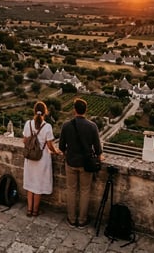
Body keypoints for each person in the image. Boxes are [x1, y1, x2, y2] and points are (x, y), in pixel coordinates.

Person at [59, 97, 104, 228]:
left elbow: (62, 147)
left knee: (71, 190)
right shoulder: (92, 126)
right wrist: (100, 157)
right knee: (85, 191)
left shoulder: (66, 125)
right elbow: (98, 148)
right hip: (86, 164)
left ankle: (71, 219)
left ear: (74, 110)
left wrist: (68, 154)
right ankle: (82, 220)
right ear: (85, 110)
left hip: (71, 162)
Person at [23, 101, 61, 217]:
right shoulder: (47, 127)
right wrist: (56, 151)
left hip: (30, 158)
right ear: (45, 113)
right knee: (38, 185)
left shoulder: (28, 124)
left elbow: (24, 141)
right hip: (42, 159)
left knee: (30, 184)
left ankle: (29, 210)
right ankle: (35, 211)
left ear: (34, 111)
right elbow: (50, 145)